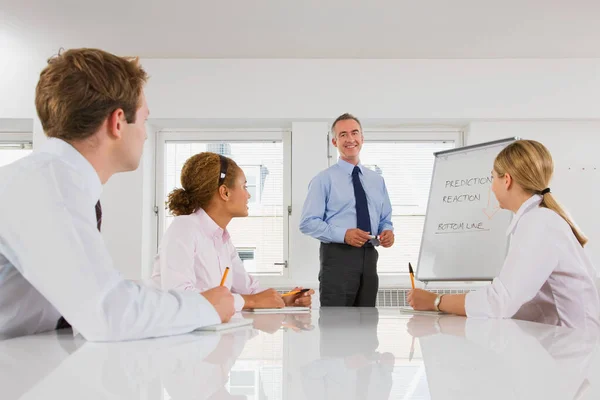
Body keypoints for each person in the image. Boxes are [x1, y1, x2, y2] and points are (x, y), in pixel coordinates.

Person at [0, 48, 235, 341]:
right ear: (118, 122)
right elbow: (108, 312)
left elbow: (94, 297)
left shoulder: (56, 182)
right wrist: (205, 306)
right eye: (145, 120)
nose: (146, 135)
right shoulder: (50, 188)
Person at [408, 140, 600, 330]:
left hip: (575, 349)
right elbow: (521, 301)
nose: (492, 187)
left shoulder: (539, 222)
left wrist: (436, 301)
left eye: (493, 178)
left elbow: (501, 301)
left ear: (506, 180)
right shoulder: (539, 219)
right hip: (562, 342)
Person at [151, 152, 314, 311]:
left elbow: (248, 289)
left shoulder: (222, 239)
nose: (248, 195)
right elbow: (180, 297)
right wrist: (250, 301)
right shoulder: (184, 228)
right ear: (225, 192)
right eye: (244, 186)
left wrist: (284, 299)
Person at [299, 113, 394, 307]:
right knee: (336, 327)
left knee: (367, 325)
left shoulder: (377, 180)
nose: (350, 139)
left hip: (370, 257)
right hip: (337, 258)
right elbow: (308, 223)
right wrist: (344, 235)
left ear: (362, 138)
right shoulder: (323, 179)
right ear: (334, 141)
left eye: (354, 133)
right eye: (343, 135)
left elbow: (385, 218)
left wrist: (388, 231)